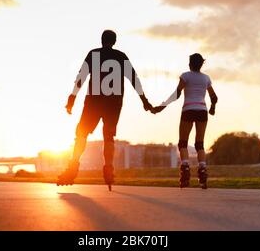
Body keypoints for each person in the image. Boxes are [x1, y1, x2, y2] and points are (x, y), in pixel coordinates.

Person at [58, 30, 153, 189]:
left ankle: (73, 165)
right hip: (114, 103)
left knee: (81, 133)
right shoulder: (121, 56)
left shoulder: (93, 54)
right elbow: (134, 79)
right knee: (109, 136)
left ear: (101, 40)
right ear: (114, 41)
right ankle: (109, 168)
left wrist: (72, 97)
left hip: (94, 101)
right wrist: (144, 100)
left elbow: (81, 77)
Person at [152, 53, 218, 189]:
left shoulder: (186, 76)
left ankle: (185, 171)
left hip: (188, 110)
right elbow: (214, 97)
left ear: (190, 64)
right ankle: (203, 172)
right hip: (202, 110)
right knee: (200, 144)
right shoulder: (206, 78)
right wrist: (212, 108)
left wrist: (162, 106)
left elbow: (177, 93)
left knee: (183, 143)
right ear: (201, 64)